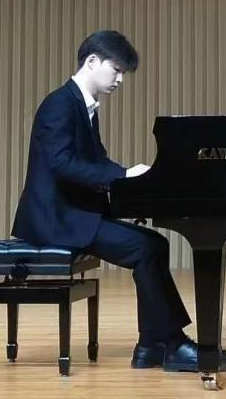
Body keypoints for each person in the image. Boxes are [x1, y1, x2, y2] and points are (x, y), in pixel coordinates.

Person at [11, 29, 199, 371]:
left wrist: (134, 181)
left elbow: (96, 164)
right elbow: (63, 165)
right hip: (56, 220)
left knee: (155, 245)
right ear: (92, 62)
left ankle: (151, 345)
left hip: (73, 213)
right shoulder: (59, 104)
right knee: (146, 248)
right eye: (117, 70)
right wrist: (124, 176)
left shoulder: (82, 106)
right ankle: (171, 344)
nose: (120, 79)